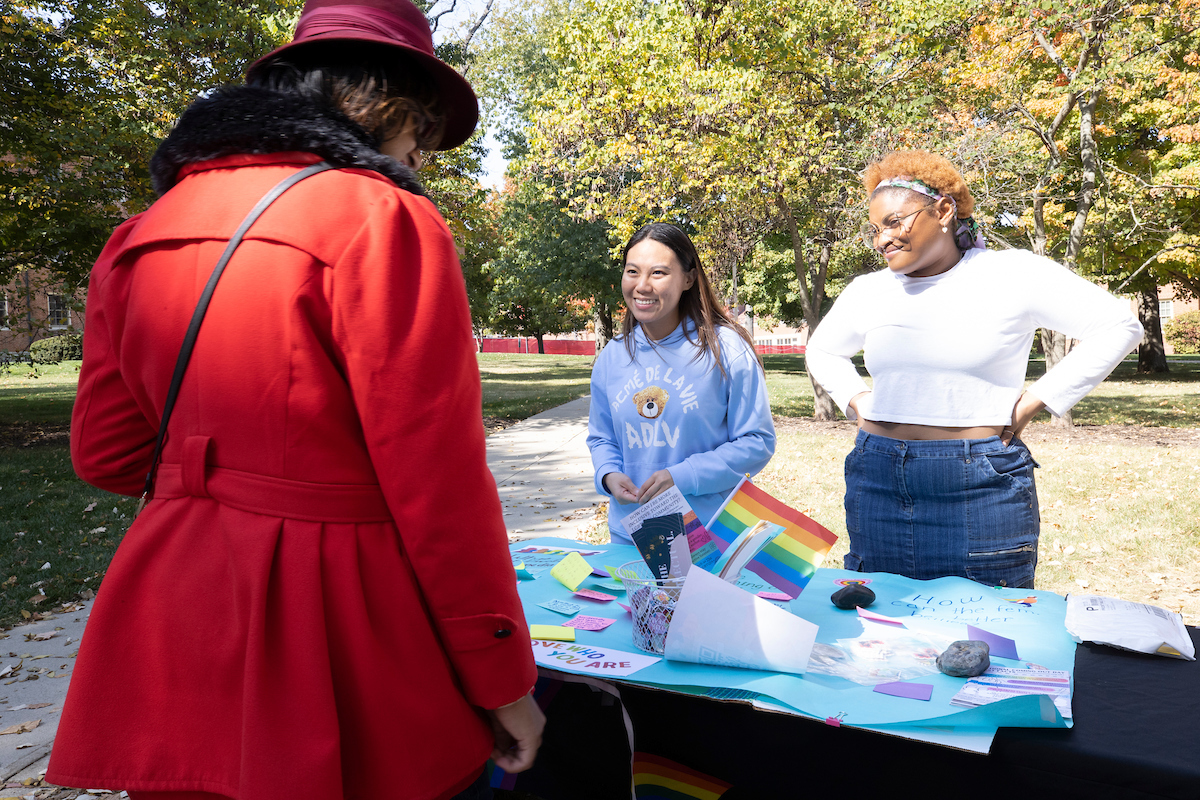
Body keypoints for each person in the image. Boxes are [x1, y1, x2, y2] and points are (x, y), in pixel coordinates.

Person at [46, 2, 543, 798]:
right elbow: (438, 489)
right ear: (383, 100)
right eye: (425, 128)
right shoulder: (385, 220)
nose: (424, 152)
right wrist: (503, 681)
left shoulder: (140, 233)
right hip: (337, 623)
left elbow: (105, 456)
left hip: (169, 614)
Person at [805, 150, 1143, 589]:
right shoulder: (868, 291)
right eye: (875, 229)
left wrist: (1033, 403)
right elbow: (824, 350)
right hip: (879, 478)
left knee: (989, 634)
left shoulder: (1011, 274)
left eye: (894, 222)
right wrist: (857, 400)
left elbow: (1119, 325)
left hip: (978, 482)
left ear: (943, 210)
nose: (882, 239)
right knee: (881, 631)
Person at [587, 223, 776, 546]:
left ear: (688, 278)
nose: (642, 286)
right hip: (629, 536)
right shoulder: (612, 356)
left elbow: (757, 442)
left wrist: (681, 477)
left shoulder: (725, 348)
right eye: (632, 271)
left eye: (658, 273)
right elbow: (602, 437)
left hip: (707, 537)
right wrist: (608, 475)